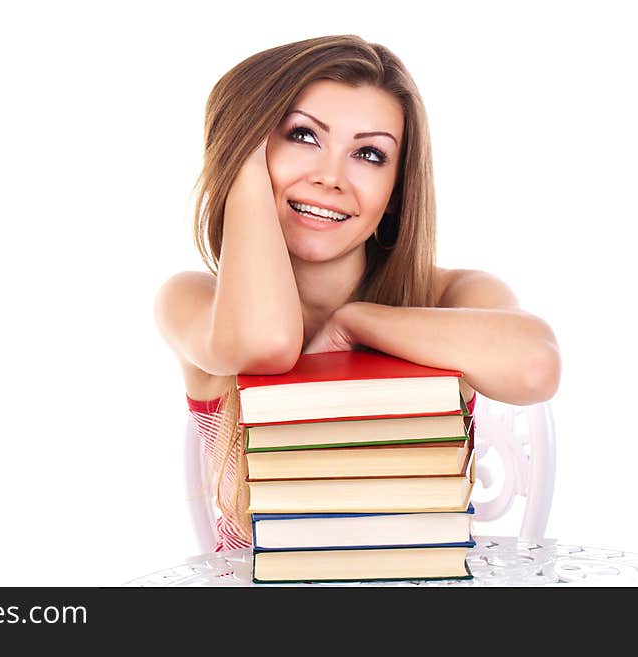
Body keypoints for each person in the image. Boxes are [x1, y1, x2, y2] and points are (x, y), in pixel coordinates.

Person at [153, 34, 561, 551]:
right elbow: (264, 344)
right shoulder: (194, 300)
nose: (331, 178)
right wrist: (241, 168)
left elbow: (535, 367)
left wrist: (356, 321)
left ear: (395, 191)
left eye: (369, 154)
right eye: (302, 136)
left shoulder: (454, 293)